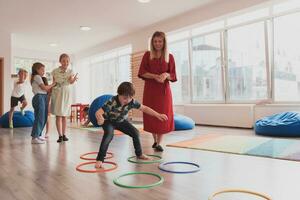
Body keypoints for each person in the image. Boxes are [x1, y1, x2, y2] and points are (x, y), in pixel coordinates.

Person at [94, 82, 168, 168]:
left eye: (130, 98)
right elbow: (98, 112)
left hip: (121, 121)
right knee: (108, 135)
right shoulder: (112, 101)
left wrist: (158, 115)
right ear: (119, 94)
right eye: (125, 98)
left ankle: (139, 154)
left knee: (135, 133)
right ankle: (100, 159)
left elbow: (144, 108)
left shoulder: (131, 102)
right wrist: (100, 118)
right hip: (108, 121)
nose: (127, 101)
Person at [138, 31, 177, 152]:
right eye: (155, 41)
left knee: (163, 114)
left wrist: (166, 75)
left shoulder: (169, 57)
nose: (157, 44)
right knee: (152, 115)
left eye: (160, 41)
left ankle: (159, 142)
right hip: (150, 91)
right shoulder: (147, 55)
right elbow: (142, 72)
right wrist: (155, 76)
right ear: (152, 43)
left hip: (164, 92)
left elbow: (174, 75)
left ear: (164, 42)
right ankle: (154, 140)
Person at [51, 53, 78, 143]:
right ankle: (60, 136)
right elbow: (54, 82)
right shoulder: (54, 71)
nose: (65, 63)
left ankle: (64, 134)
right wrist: (49, 91)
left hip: (66, 93)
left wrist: (73, 80)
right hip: (57, 93)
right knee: (58, 115)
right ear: (60, 61)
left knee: (65, 115)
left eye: (67, 61)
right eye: (63, 61)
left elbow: (70, 81)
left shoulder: (70, 71)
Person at [30, 63, 56, 144]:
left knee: (44, 117)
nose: (43, 72)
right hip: (39, 97)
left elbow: (46, 90)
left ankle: (38, 135)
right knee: (40, 117)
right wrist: (53, 84)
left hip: (43, 97)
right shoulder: (37, 76)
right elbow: (44, 88)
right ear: (37, 69)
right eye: (42, 70)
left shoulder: (40, 77)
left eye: (44, 70)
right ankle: (34, 137)